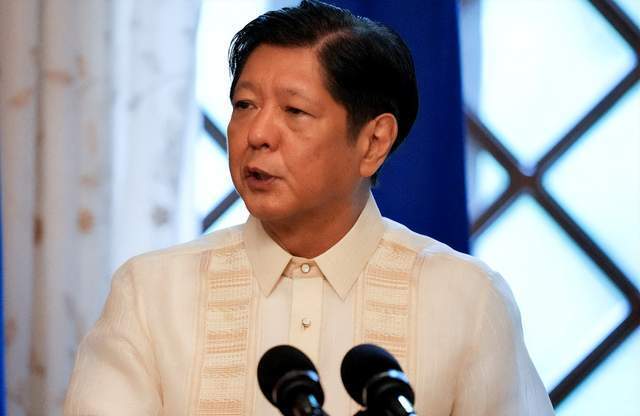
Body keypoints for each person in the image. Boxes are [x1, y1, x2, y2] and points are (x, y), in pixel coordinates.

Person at [64, 1, 555, 415]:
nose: (257, 134)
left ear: (373, 142)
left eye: (294, 111)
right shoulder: (150, 294)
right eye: (245, 105)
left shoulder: (468, 300)